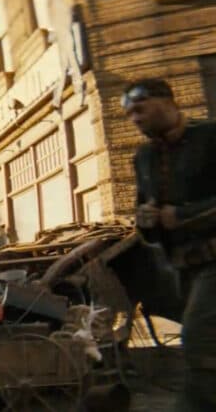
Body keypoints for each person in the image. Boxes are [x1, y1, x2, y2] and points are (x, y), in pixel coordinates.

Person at [124, 78, 216, 412]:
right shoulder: (144, 157)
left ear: (167, 101)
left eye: (140, 108)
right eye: (130, 114)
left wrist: (183, 216)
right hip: (183, 268)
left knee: (199, 341)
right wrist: (146, 220)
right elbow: (144, 211)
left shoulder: (209, 137)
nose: (135, 119)